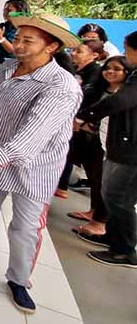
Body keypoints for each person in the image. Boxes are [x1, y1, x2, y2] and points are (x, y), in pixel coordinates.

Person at [0, 13, 82, 314]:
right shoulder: (9, 67)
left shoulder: (61, 86)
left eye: (28, 40)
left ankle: (19, 279)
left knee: (25, 227)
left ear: (51, 47)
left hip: (34, 167)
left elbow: (36, 131)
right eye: (18, 37)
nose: (18, 43)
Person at [75, 31, 137, 269]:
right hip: (122, 146)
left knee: (119, 198)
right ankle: (114, 237)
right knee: (113, 194)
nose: (125, 53)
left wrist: (84, 116)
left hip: (130, 151)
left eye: (127, 48)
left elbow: (119, 102)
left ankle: (125, 251)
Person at [69, 56, 130, 239]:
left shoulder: (126, 94)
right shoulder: (99, 89)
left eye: (117, 69)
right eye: (107, 68)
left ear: (126, 72)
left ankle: (100, 223)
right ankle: (93, 213)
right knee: (95, 179)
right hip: (94, 141)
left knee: (106, 183)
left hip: (115, 145)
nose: (110, 71)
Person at [56, 40, 107, 200]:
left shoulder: (95, 73)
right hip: (74, 122)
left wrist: (80, 121)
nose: (73, 53)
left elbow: (90, 99)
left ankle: (98, 216)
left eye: (79, 51)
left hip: (86, 126)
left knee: (93, 170)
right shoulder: (78, 70)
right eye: (74, 50)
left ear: (94, 55)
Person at [0, 0, 30, 65]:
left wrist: (1, 39)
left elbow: (15, 51)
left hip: (12, 69)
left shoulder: (26, 30)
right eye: (4, 10)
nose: (5, 12)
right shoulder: (0, 26)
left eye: (9, 10)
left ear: (20, 12)